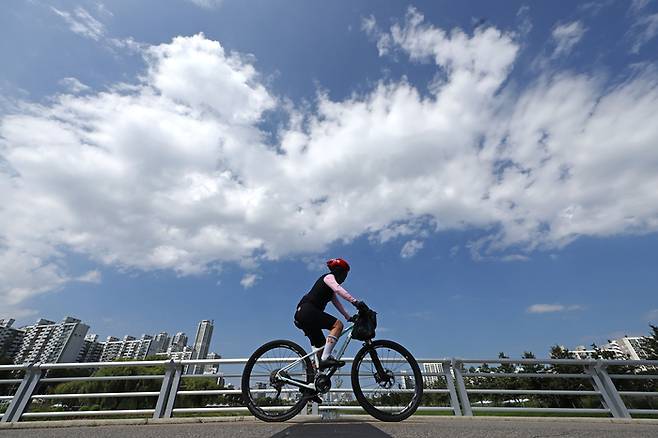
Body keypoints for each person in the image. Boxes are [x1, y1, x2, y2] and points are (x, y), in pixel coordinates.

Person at [294, 257, 367, 371]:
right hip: (307, 311)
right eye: (344, 274)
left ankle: (313, 379)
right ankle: (325, 358)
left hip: (304, 314)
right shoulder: (328, 277)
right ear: (339, 271)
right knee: (338, 326)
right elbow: (339, 290)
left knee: (322, 347)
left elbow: (337, 304)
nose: (344, 278)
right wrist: (355, 302)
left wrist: (349, 317)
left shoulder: (330, 289)